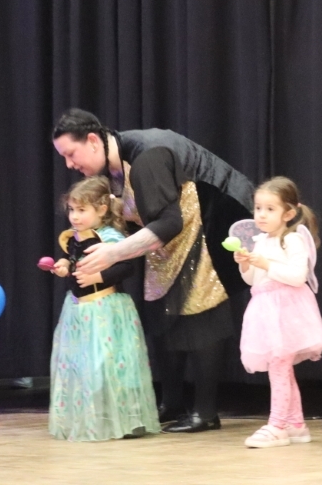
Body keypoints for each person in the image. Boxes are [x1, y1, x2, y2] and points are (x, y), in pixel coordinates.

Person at [52, 109, 254, 432]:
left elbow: (170, 222)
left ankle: (205, 412)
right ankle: (171, 403)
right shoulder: (115, 168)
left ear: (92, 141)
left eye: (71, 154)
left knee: (201, 309)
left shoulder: (147, 157)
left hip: (210, 221)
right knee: (161, 312)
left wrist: (113, 252)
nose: (68, 164)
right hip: (168, 240)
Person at [45, 176, 160, 441]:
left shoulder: (110, 238)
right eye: (72, 210)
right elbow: (72, 258)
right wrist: (64, 266)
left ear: (101, 209)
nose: (74, 216)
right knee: (82, 366)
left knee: (106, 365)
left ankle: (122, 419)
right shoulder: (74, 237)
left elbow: (126, 267)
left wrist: (99, 276)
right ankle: (90, 418)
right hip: (78, 311)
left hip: (105, 310)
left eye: (81, 210)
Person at [235, 177, 322, 447]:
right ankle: (296, 425)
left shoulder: (293, 240)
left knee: (279, 366)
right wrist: (245, 264)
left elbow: (298, 277)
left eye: (270, 209)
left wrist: (266, 263)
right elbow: (253, 281)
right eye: (258, 208)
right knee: (282, 368)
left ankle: (277, 425)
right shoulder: (260, 241)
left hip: (287, 311)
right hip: (265, 310)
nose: (261, 215)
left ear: (288, 214)